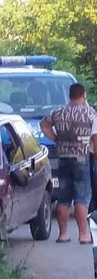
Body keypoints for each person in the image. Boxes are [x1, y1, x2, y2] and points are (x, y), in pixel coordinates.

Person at [40, 83, 97, 243]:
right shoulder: (90, 113)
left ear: (70, 95)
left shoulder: (58, 112)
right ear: (84, 95)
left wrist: (57, 139)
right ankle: (84, 235)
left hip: (63, 158)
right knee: (82, 197)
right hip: (81, 159)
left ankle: (63, 234)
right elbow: (95, 137)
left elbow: (43, 125)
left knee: (64, 197)